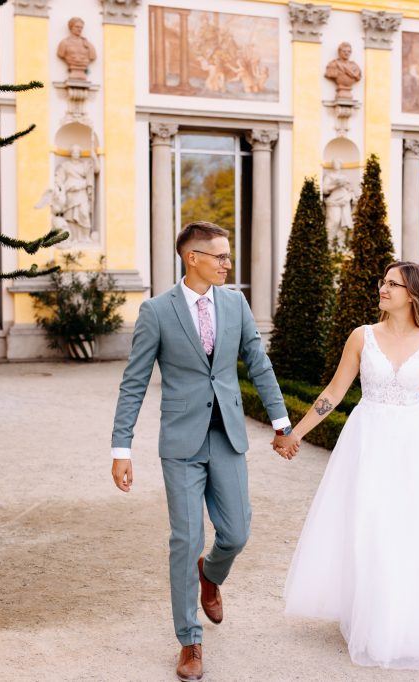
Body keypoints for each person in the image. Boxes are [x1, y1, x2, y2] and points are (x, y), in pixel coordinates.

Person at [282, 261, 419, 671]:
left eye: (392, 284)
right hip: (368, 441)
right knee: (371, 524)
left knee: (409, 528)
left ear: (413, 294)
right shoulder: (362, 336)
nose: (383, 288)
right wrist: (297, 433)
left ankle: (403, 619)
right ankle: (370, 615)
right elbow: (334, 391)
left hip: (417, 445)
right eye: (383, 282)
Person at [110, 221, 300, 682]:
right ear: (191, 257)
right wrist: (121, 448)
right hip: (181, 442)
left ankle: (210, 575)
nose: (227, 264)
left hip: (227, 436)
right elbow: (134, 382)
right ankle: (189, 640)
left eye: (227, 256)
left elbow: (259, 364)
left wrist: (282, 423)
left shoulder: (235, 304)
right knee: (186, 539)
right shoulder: (157, 311)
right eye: (220, 256)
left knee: (236, 533)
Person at [56, 17, 96, 81]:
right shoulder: (64, 43)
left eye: (81, 27)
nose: (79, 29)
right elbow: (61, 54)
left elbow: (93, 56)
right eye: (77, 27)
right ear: (70, 28)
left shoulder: (88, 45)